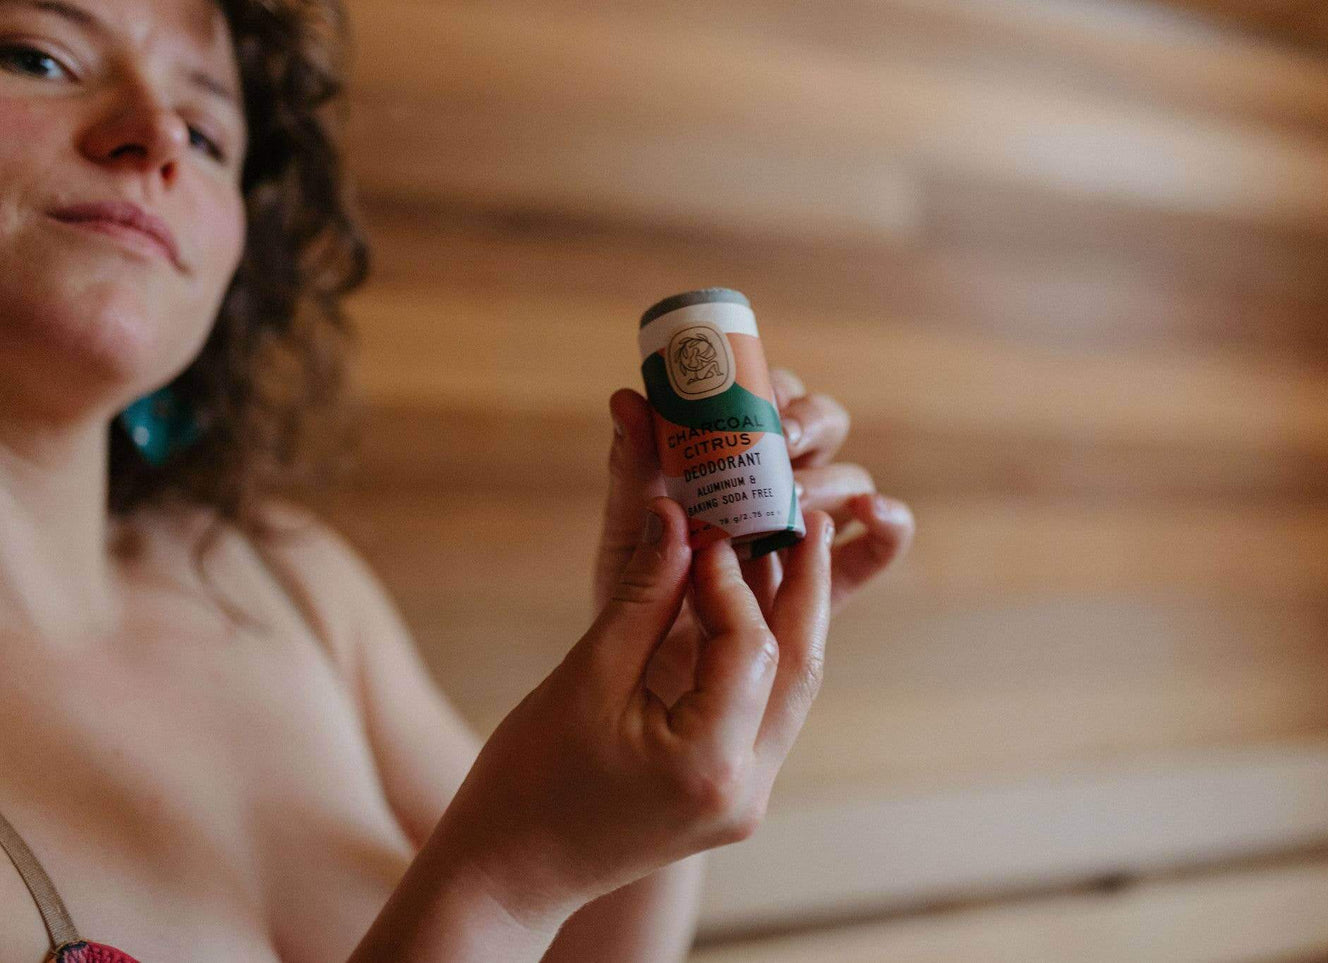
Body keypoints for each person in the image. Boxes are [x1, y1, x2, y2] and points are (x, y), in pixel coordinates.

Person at [0, 0, 916, 959]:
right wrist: (503, 883)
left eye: (206, 130)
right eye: (39, 58)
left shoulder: (291, 583)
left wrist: (667, 680)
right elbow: (514, 892)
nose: (157, 138)